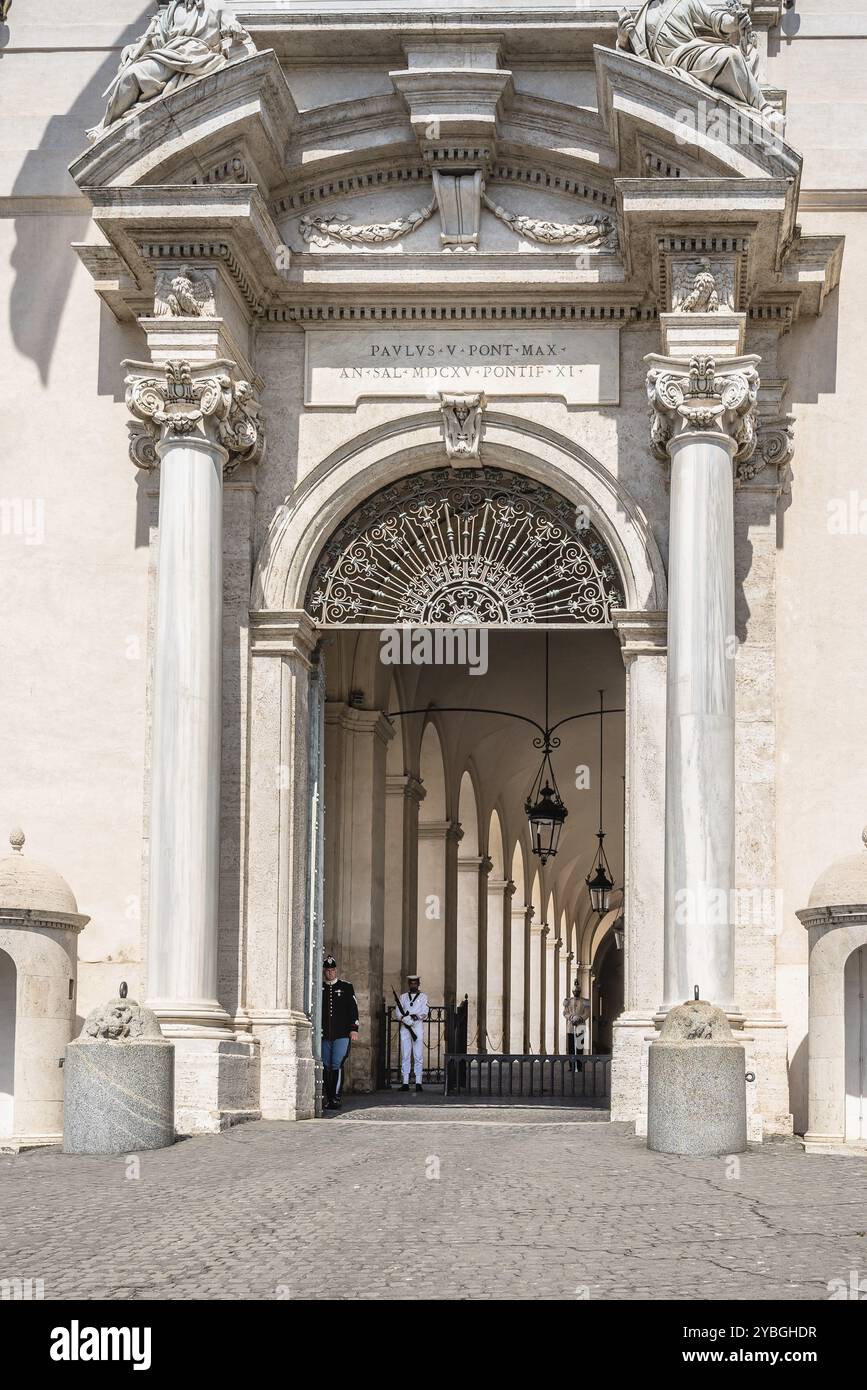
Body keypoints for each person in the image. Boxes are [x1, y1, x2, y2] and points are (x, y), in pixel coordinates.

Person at [617, 0, 780, 127]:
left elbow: (715, 19)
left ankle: (764, 107)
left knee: (732, 56)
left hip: (689, 53)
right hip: (668, 65)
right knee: (731, 56)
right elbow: (632, 59)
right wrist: (623, 39)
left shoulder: (685, 1)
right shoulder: (643, 14)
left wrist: (734, 22)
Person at [321, 955, 359, 1110]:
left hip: (342, 1033)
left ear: (336, 971)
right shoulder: (320, 988)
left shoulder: (346, 987)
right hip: (324, 1034)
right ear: (324, 971)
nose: (330, 973)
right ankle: (328, 1097)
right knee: (325, 1065)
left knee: (337, 1064)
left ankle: (335, 1098)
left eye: (332, 970)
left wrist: (353, 1029)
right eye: (327, 970)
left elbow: (353, 1009)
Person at [397, 973, 429, 1093]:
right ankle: (405, 1082)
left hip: (417, 1027)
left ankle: (418, 1082)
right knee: (405, 1055)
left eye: (415, 983)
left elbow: (425, 1011)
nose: (413, 984)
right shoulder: (403, 997)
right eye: (411, 983)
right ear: (409, 984)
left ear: (418, 984)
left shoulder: (423, 997)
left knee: (418, 1055)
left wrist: (414, 1018)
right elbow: (398, 1011)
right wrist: (404, 1019)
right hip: (405, 1028)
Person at [563, 978, 589, 1072]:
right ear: (573, 992)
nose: (576, 993)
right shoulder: (568, 1001)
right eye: (575, 991)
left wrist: (580, 1018)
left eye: (577, 991)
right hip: (571, 1026)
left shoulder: (585, 1001)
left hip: (580, 1025)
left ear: (580, 992)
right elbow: (565, 1013)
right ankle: (571, 1066)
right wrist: (571, 1017)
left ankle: (579, 1066)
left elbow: (587, 1013)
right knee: (571, 1048)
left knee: (579, 1047)